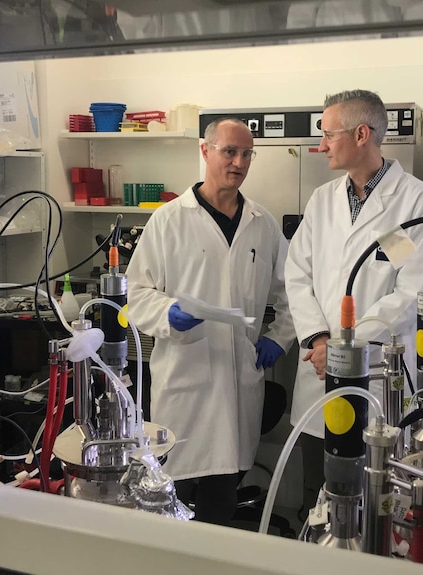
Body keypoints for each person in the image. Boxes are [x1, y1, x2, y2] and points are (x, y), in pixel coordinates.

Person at [126, 118, 296, 526]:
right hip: (186, 379)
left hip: (240, 379)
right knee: (170, 493)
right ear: (206, 152)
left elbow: (293, 291)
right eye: (229, 152)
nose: (238, 162)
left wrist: (280, 338)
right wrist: (167, 312)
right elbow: (135, 294)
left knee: (224, 490)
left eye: (246, 154)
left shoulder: (263, 224)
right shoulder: (169, 220)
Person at [285, 90, 423, 513]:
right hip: (319, 371)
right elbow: (297, 274)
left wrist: (346, 349)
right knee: (317, 501)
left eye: (328, 134)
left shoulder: (413, 200)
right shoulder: (322, 200)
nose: (320, 145)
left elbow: (410, 291)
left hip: (376, 377)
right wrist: (319, 341)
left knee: (374, 503)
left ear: (361, 134)